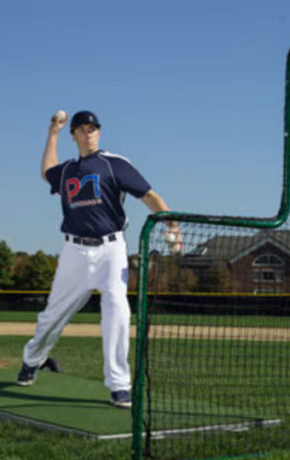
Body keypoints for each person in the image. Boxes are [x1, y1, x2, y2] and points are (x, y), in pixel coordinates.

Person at [16, 110, 180, 408]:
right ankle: (32, 359)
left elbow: (149, 196)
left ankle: (119, 385)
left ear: (98, 133)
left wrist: (171, 224)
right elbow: (46, 172)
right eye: (81, 129)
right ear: (74, 135)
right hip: (74, 252)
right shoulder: (67, 170)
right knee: (53, 316)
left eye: (92, 129)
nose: (88, 134)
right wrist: (52, 133)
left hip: (110, 249)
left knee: (118, 310)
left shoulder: (113, 164)